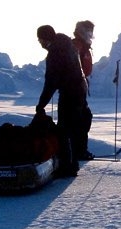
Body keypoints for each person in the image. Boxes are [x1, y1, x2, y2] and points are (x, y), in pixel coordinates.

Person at [35, 25, 89, 176]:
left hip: (70, 92)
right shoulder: (67, 45)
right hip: (79, 90)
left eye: (40, 39)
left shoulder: (55, 53)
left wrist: (41, 104)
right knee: (72, 128)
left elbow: (51, 81)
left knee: (64, 129)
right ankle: (72, 162)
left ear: (45, 39)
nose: (40, 43)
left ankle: (68, 166)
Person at [72, 20, 95, 160]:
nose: (91, 34)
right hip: (74, 88)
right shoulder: (76, 46)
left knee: (84, 119)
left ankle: (79, 150)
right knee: (80, 120)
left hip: (80, 88)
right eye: (89, 31)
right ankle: (77, 151)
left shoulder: (84, 47)